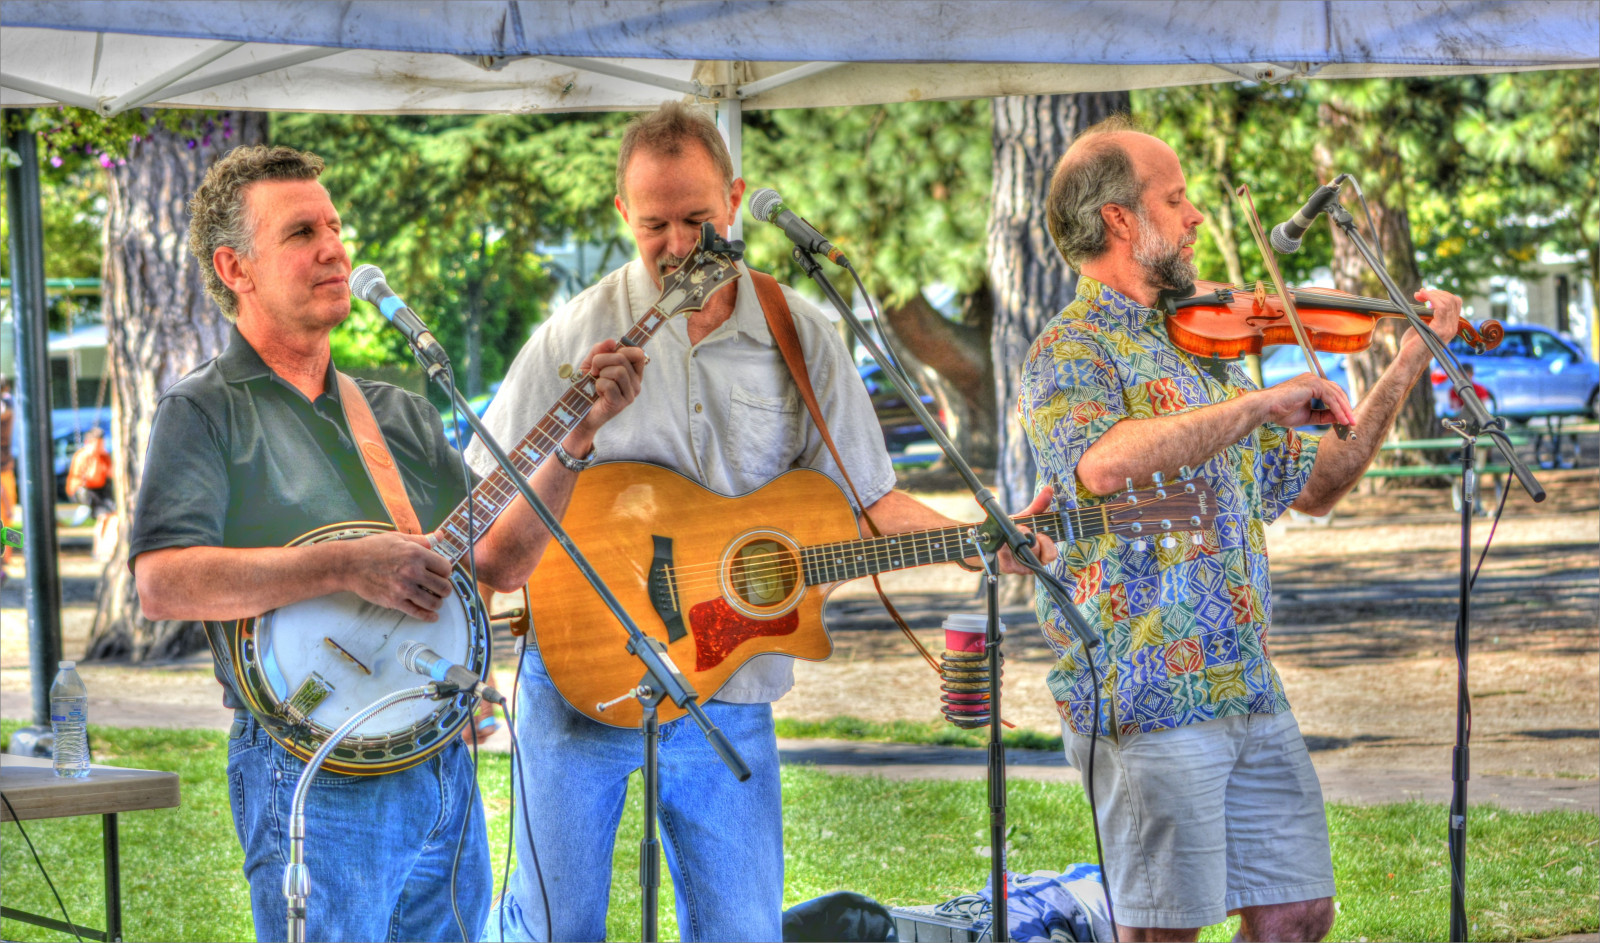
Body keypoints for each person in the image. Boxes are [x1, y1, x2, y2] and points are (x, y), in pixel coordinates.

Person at [469, 102, 1055, 942]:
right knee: (553, 930)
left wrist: (982, 544)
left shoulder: (801, 333)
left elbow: (866, 500)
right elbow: (490, 521)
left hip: (728, 689)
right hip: (577, 684)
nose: (678, 244)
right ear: (621, 214)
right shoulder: (573, 335)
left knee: (743, 930)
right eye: (654, 225)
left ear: (736, 200)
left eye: (697, 219)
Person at [128, 144, 646, 942]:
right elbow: (164, 581)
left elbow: (498, 561)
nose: (334, 249)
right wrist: (343, 564)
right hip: (313, 767)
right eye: (302, 233)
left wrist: (576, 439)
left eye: (335, 227)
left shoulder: (395, 411)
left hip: (438, 760)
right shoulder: (204, 410)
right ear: (236, 268)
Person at [1018, 117, 1462, 943]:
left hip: (1247, 682)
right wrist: (1258, 403)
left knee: (1298, 913)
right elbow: (1103, 463)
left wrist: (1408, 357)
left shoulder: (1208, 351)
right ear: (1120, 220)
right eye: (1175, 199)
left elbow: (1319, 483)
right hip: (1145, 688)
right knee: (1165, 929)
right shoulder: (1070, 350)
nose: (1194, 217)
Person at [65, 426, 116, 557]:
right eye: (98, 444)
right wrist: (93, 457)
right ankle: (98, 549)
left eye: (102, 444)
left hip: (100, 490)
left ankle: (106, 548)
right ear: (89, 443)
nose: (100, 447)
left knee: (113, 516)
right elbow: (91, 477)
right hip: (84, 490)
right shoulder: (83, 456)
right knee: (103, 516)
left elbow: (111, 474)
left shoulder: (104, 456)